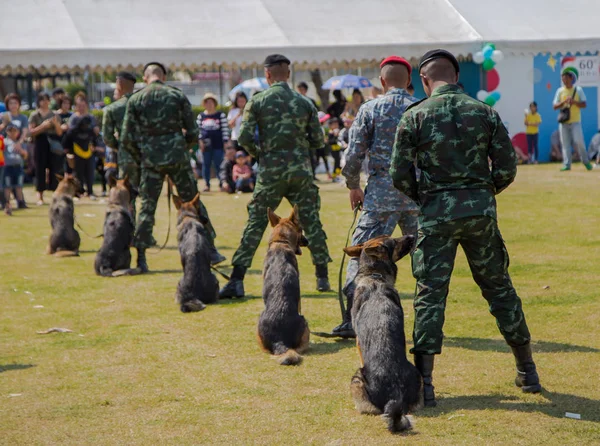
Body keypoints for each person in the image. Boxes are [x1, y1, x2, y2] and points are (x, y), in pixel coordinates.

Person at [390, 49, 542, 407]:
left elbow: (399, 174)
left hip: (436, 216)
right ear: (456, 76)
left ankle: (425, 385)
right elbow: (507, 167)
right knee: (499, 289)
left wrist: (428, 198)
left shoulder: (415, 116)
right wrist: (482, 194)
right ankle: (528, 371)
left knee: (430, 294)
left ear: (424, 80)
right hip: (480, 215)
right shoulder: (485, 112)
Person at [219, 54, 332, 298]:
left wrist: (260, 155)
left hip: (271, 171)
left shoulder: (258, 101)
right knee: (312, 221)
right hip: (300, 170)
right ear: (288, 74)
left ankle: (237, 280)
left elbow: (245, 137)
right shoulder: (304, 103)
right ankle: (322, 277)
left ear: (267, 74)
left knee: (256, 222)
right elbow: (318, 140)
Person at [330, 56, 419, 338]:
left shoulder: (371, 109)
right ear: (408, 81)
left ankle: (350, 319)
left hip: (380, 193)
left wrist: (353, 185)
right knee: (427, 256)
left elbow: (353, 153)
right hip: (418, 194)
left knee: (361, 253)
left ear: (382, 81)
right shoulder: (421, 108)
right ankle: (428, 320)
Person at [120, 62, 224, 272]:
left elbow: (126, 138)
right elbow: (194, 132)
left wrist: (141, 156)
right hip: (177, 156)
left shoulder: (136, 99)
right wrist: (182, 148)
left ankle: (140, 258)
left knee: (147, 207)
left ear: (145, 77)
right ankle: (210, 249)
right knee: (192, 201)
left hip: (151, 159)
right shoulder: (176, 96)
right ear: (164, 76)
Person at [102, 71, 139, 211]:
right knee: (149, 199)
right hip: (149, 157)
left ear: (120, 84)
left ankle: (129, 230)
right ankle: (146, 232)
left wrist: (120, 146)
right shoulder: (144, 104)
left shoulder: (113, 109)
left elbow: (107, 137)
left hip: (126, 158)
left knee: (128, 196)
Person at [553, 68, 592, 171]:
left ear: (571, 78)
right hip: (564, 122)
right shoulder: (560, 91)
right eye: (562, 78)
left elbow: (584, 104)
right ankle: (567, 164)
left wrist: (573, 102)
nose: (564, 80)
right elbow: (555, 106)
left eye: (566, 78)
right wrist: (564, 102)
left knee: (579, 142)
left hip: (575, 121)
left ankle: (586, 162)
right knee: (565, 144)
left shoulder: (578, 90)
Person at [29, 93, 63, 205]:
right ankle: (40, 196)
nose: (44, 102)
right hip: (40, 143)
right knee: (40, 169)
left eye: (46, 100)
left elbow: (59, 132)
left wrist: (54, 124)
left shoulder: (54, 114)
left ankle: (55, 194)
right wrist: (43, 126)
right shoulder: (35, 115)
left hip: (53, 143)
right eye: (41, 100)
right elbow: (31, 132)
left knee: (55, 168)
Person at [198, 93, 229, 192]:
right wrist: (200, 142)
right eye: (207, 102)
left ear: (215, 103)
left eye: (211, 102)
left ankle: (221, 183)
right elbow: (198, 130)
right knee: (206, 165)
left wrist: (225, 143)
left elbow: (225, 130)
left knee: (219, 164)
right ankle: (206, 184)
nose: (209, 104)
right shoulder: (201, 116)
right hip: (206, 145)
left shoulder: (220, 115)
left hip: (218, 144)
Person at [2, 124, 28, 215]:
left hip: (18, 166)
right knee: (7, 186)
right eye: (10, 131)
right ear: (7, 132)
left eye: (14, 131)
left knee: (19, 185)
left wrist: (21, 151)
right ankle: (7, 203)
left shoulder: (20, 142)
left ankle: (20, 202)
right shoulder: (4, 142)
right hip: (7, 166)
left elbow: (25, 156)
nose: (12, 133)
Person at [326, 118, 343, 182]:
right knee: (335, 163)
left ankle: (337, 175)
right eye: (334, 124)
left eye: (337, 124)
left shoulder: (339, 131)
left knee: (338, 163)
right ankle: (333, 176)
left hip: (338, 149)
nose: (336, 125)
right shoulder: (330, 133)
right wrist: (335, 136)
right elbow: (330, 142)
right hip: (333, 150)